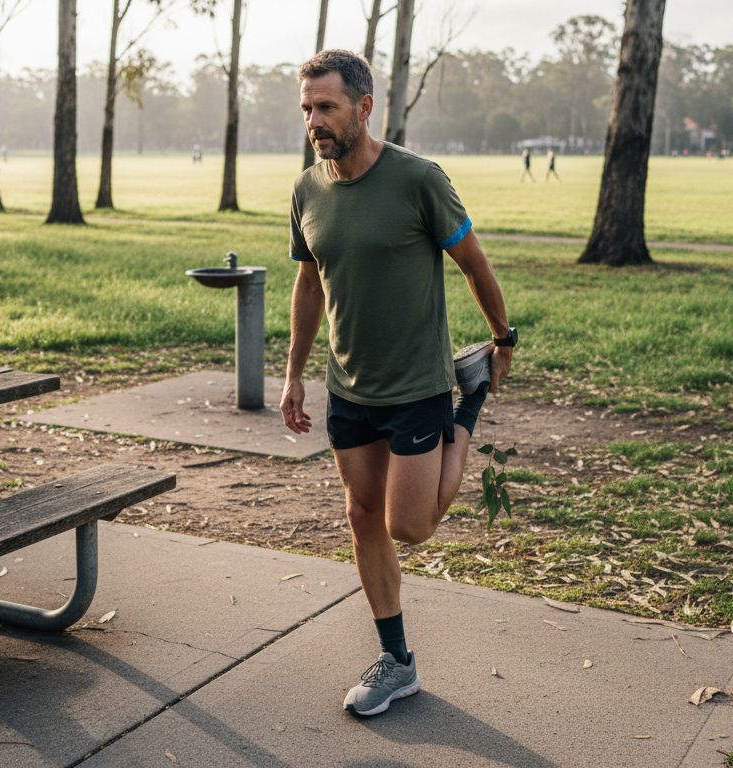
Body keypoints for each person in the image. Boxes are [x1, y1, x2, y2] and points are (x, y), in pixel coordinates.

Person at [281, 49, 515, 718]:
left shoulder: (418, 179)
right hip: (349, 386)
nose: (314, 121)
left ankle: (467, 404)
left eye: (326, 107)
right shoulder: (307, 190)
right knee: (362, 516)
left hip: (417, 384)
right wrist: (294, 376)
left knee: (409, 526)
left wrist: (502, 339)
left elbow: (472, 260)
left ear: (364, 106)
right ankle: (397, 661)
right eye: (306, 109)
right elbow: (307, 282)